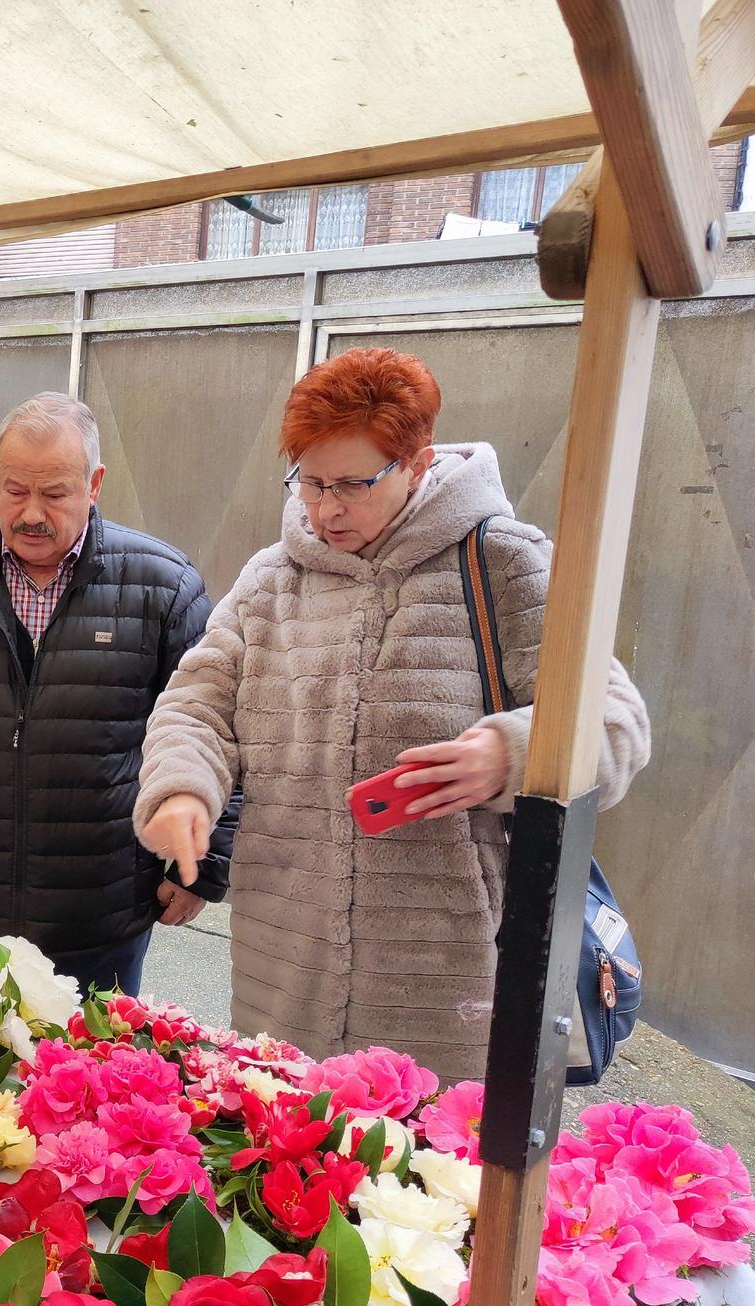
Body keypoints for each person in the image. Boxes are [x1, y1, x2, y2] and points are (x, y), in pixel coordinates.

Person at [135, 347, 651, 1079]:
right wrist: (182, 786)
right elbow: (198, 704)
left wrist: (511, 753)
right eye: (309, 481)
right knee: (287, 1165)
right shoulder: (271, 580)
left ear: (417, 461)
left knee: (431, 1180)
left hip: (450, 982)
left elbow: (619, 720)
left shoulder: (503, 563)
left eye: (353, 483)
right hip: (286, 966)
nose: (326, 508)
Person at [0, 392, 236, 996]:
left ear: (95, 483)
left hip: (102, 914)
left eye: (54, 493)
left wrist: (206, 865)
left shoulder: (163, 591)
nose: (31, 512)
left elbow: (216, 729)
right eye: (14, 490)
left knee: (90, 1077)